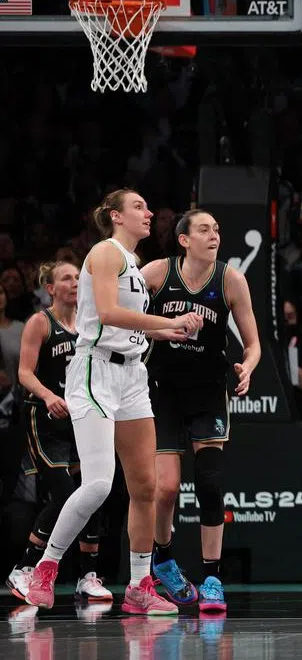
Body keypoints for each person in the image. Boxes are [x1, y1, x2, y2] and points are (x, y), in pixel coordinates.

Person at [24, 189, 203, 614]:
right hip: (94, 372)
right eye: (139, 206)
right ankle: (44, 567)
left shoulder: (136, 266)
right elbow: (106, 313)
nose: (149, 212)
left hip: (132, 375)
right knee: (100, 483)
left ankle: (140, 586)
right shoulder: (105, 253)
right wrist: (169, 319)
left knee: (146, 486)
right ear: (115, 216)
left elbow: (130, 326)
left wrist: (164, 332)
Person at [142, 210, 260, 612]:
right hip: (162, 390)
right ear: (183, 240)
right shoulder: (156, 274)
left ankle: (212, 577)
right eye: (205, 230)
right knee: (166, 487)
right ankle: (163, 557)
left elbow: (254, 343)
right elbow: (127, 323)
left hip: (208, 391)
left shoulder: (230, 279)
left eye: (218, 230)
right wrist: (167, 326)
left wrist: (247, 366)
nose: (215, 236)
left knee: (210, 484)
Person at [6, 262, 112, 603]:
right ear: (50, 288)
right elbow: (24, 372)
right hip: (45, 419)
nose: (75, 282)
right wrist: (49, 395)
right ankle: (23, 568)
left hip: (82, 418)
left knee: (92, 492)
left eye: (79, 278)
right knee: (66, 495)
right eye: (67, 277)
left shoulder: (89, 323)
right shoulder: (41, 322)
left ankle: (87, 575)